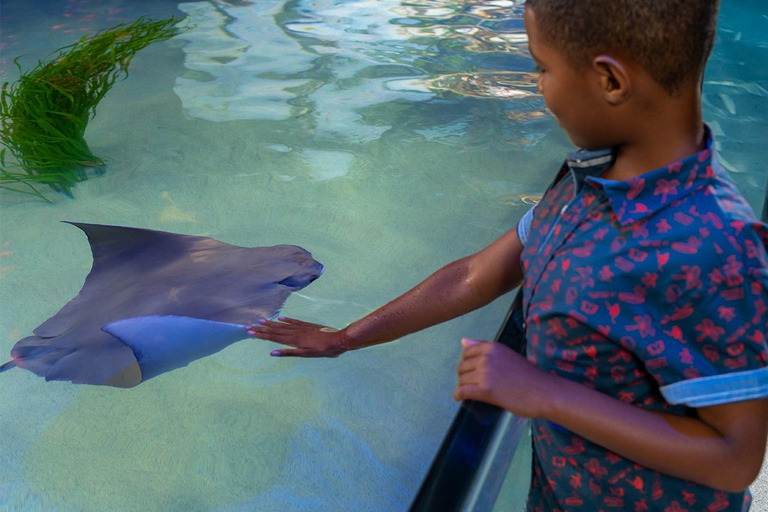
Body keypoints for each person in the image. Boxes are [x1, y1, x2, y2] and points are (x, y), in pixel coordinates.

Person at [249, 0, 768, 510]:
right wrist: (346, 338)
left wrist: (541, 392)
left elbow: (735, 458)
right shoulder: (588, 179)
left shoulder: (716, 247)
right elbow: (475, 275)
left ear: (611, 81)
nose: (540, 88)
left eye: (543, 68)